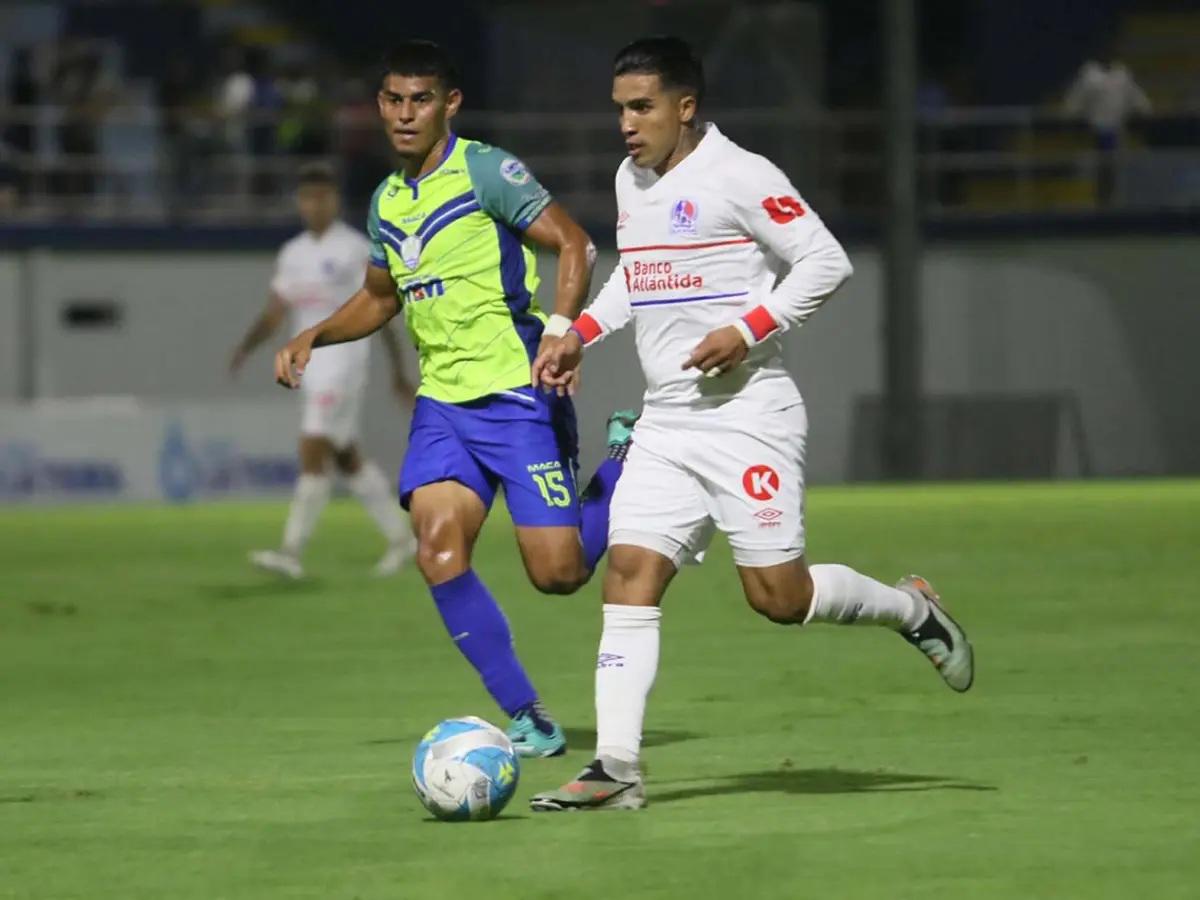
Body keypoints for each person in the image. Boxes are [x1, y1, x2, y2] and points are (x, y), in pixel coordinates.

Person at [529, 37, 974, 811]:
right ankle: (616, 769)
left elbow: (826, 262)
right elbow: (639, 274)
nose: (627, 125)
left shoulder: (742, 175)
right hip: (667, 420)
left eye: (642, 108)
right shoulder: (631, 180)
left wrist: (748, 328)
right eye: (620, 110)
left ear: (685, 107)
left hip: (747, 418)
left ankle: (912, 608)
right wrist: (581, 335)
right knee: (630, 575)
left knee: (778, 597)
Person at [271, 41, 631, 758]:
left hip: (518, 396)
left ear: (449, 104)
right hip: (445, 409)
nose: (406, 114)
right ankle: (529, 717)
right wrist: (316, 333)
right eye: (394, 100)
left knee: (558, 575)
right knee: (436, 551)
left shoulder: (486, 170)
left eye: (421, 100)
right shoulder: (387, 201)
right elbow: (380, 301)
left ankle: (628, 461)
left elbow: (575, 244)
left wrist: (563, 334)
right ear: (380, 106)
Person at [231, 163, 417, 578]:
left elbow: (381, 307)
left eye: (322, 197)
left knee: (312, 448)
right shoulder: (293, 253)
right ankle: (404, 540)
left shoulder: (354, 249)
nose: (314, 205)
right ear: (300, 202)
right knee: (346, 457)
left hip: (345, 362)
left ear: (334, 201)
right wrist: (246, 348)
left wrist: (397, 370)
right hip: (311, 366)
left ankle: (291, 551)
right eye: (307, 197)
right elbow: (276, 311)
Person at [1064, 49, 1151, 205]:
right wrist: (1071, 114)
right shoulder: (1089, 76)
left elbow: (1136, 97)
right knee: (1100, 168)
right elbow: (1075, 100)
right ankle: (1101, 200)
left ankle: (1113, 199)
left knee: (1115, 168)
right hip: (1095, 129)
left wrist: (1144, 108)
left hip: (1117, 129)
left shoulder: (1122, 75)